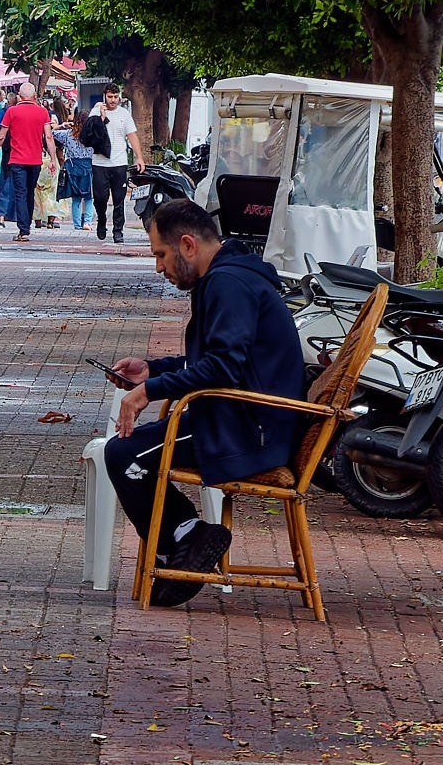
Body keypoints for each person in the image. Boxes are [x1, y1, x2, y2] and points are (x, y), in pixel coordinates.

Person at [104, 198, 306, 603]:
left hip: (249, 430)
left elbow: (224, 368)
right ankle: (188, 537)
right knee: (128, 452)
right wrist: (154, 370)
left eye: (161, 254)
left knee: (124, 455)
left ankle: (182, 548)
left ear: (187, 245)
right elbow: (218, 359)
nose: (158, 267)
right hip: (247, 420)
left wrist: (151, 391)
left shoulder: (227, 284)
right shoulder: (232, 277)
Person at [0, 80, 52, 241]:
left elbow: (1, 135)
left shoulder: (12, 111)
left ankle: (24, 229)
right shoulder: (42, 112)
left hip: (17, 159)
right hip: (35, 159)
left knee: (20, 193)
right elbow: (48, 136)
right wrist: (53, 159)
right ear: (34, 95)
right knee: (30, 192)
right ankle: (26, 225)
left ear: (20, 96)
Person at [90, 88, 136, 244]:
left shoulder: (124, 114)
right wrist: (100, 117)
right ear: (104, 96)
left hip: (119, 162)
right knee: (100, 198)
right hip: (99, 163)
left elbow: (132, 136)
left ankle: (118, 230)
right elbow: (89, 134)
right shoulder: (96, 112)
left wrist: (139, 157)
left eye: (116, 96)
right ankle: (101, 220)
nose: (113, 100)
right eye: (110, 97)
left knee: (119, 199)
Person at [55, 93, 94, 231]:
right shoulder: (93, 135)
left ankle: (77, 225)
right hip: (89, 167)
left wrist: (62, 125)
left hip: (72, 167)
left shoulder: (68, 135)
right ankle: (87, 222)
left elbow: (50, 133)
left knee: (76, 198)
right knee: (89, 197)